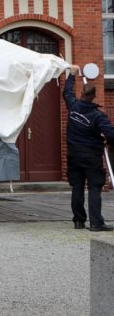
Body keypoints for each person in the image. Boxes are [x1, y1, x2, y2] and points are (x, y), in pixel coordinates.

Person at [63, 64, 114, 232]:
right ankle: (96, 223)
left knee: (77, 187)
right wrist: (105, 139)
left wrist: (71, 75)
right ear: (94, 97)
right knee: (94, 188)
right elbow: (111, 134)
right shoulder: (98, 116)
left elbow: (67, 92)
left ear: (82, 94)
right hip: (91, 156)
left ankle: (78, 220)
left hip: (73, 155)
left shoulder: (73, 107)